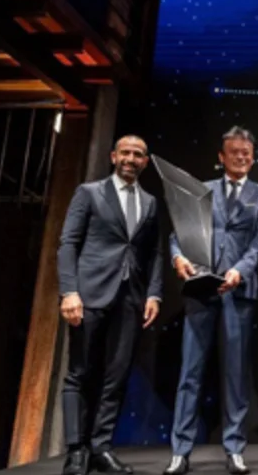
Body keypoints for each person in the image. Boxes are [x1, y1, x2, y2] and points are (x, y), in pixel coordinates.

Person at [163, 127, 258, 475]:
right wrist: (177, 257)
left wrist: (240, 270)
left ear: (252, 158)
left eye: (246, 153)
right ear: (221, 156)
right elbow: (178, 233)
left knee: (235, 376)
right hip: (201, 291)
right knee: (190, 373)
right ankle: (180, 451)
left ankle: (235, 449)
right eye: (235, 152)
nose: (241, 157)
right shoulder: (202, 190)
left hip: (238, 294)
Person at [58, 135, 163, 475]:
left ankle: (101, 447)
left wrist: (154, 294)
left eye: (138, 154)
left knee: (116, 376)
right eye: (126, 153)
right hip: (89, 294)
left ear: (145, 161)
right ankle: (76, 449)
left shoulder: (150, 202)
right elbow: (68, 243)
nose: (131, 159)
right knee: (80, 372)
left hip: (130, 298)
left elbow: (155, 252)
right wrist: (69, 291)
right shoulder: (89, 193)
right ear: (113, 156)